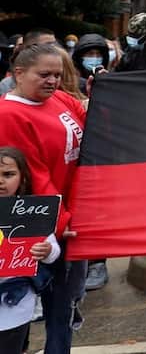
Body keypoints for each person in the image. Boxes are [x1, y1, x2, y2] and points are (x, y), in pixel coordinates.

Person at [0, 43, 87, 354]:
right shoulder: (9, 114)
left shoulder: (57, 98)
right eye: (44, 75)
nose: (52, 81)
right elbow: (34, 177)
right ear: (18, 74)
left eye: (57, 74)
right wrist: (63, 222)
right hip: (43, 227)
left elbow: (85, 118)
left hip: (71, 216)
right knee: (29, 309)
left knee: (63, 308)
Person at [0, 147, 61, 354]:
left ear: (22, 178)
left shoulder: (32, 213)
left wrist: (46, 251)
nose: (0, 181)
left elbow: (53, 250)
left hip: (15, 308)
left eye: (8, 175)